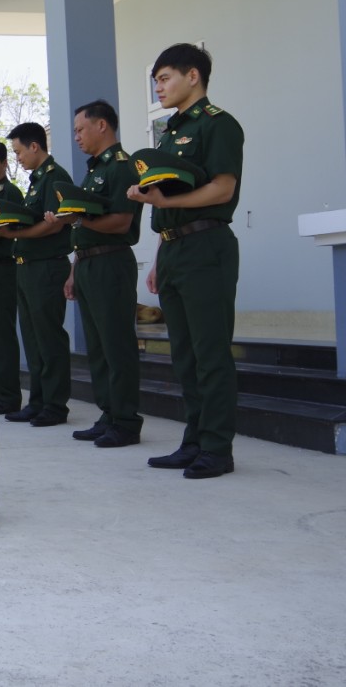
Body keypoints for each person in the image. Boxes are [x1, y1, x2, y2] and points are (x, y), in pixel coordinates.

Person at [127, 43, 244, 479]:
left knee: (211, 352)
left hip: (206, 245)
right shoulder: (171, 133)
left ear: (192, 76)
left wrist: (163, 203)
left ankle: (217, 448)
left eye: (164, 78)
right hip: (174, 247)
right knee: (185, 355)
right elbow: (169, 201)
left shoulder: (219, 125)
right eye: (156, 80)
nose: (157, 87)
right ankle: (193, 440)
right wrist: (160, 256)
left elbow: (222, 189)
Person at [46, 100, 143, 448]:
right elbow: (86, 226)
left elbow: (120, 221)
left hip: (111, 263)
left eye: (80, 129)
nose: (76, 136)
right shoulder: (94, 170)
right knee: (98, 347)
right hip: (87, 262)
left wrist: (76, 219)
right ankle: (109, 413)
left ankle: (127, 420)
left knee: (117, 344)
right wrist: (74, 271)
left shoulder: (122, 167)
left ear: (102, 125)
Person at [4, 121, 73, 427]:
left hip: (46, 265)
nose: (17, 157)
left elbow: (54, 224)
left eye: (19, 151)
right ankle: (38, 401)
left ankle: (55, 405)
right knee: (32, 339)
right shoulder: (36, 181)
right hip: (28, 266)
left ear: (35, 146)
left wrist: (16, 234)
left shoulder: (55, 178)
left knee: (48, 337)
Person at [0, 142, 25, 415]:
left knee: (1, 334)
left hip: (2, 265)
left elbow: (13, 227)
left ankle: (8, 394)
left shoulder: (10, 192)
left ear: (3, 162)